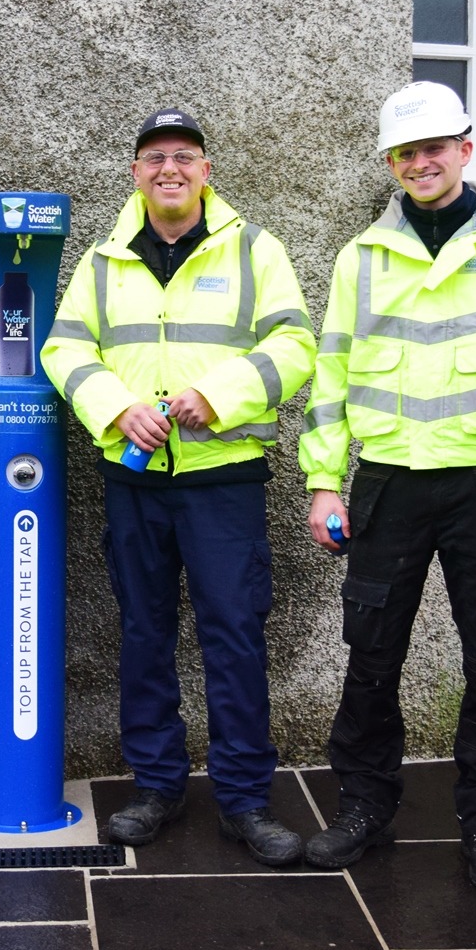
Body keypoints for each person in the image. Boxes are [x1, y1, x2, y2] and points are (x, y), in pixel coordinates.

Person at [299, 81, 476, 891]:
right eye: (406, 152)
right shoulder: (363, 255)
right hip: (386, 484)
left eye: (435, 147)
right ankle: (364, 803)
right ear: (392, 162)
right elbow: (332, 373)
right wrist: (323, 481)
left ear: (466, 147)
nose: (421, 162)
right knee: (370, 654)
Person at [40, 108, 318, 865]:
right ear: (135, 172)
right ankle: (155, 786)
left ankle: (244, 800)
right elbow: (62, 347)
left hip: (222, 480)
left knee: (233, 636)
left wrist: (220, 393)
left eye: (185, 156)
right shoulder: (103, 260)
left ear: (205, 169)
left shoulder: (256, 250)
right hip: (134, 481)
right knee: (143, 633)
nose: (170, 168)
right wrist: (115, 407)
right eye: (155, 157)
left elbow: (296, 345)